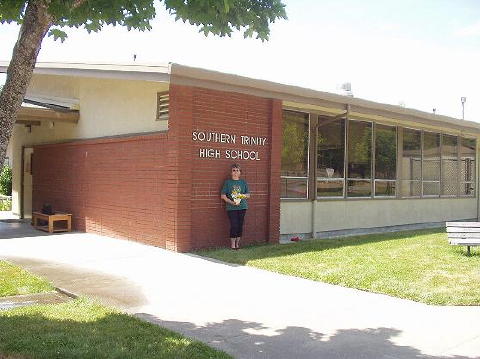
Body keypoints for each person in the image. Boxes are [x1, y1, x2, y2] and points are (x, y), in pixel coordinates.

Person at [221, 163, 250, 250]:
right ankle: (232, 245)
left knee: (240, 225)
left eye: (237, 170)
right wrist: (231, 202)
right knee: (234, 225)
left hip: (242, 207)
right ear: (231, 172)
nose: (235, 172)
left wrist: (239, 196)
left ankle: (238, 244)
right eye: (234, 170)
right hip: (231, 208)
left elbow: (248, 195)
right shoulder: (227, 182)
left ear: (240, 172)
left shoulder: (243, 182)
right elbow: (223, 196)